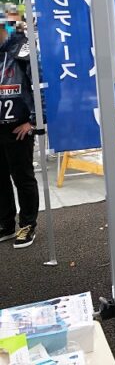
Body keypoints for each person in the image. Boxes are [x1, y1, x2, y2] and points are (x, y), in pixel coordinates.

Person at [0, 21, 38, 249]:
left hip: (18, 126)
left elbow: (40, 83)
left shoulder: (22, 48)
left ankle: (28, 224)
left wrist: (32, 121)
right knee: (0, 177)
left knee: (22, 177)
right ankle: (6, 222)